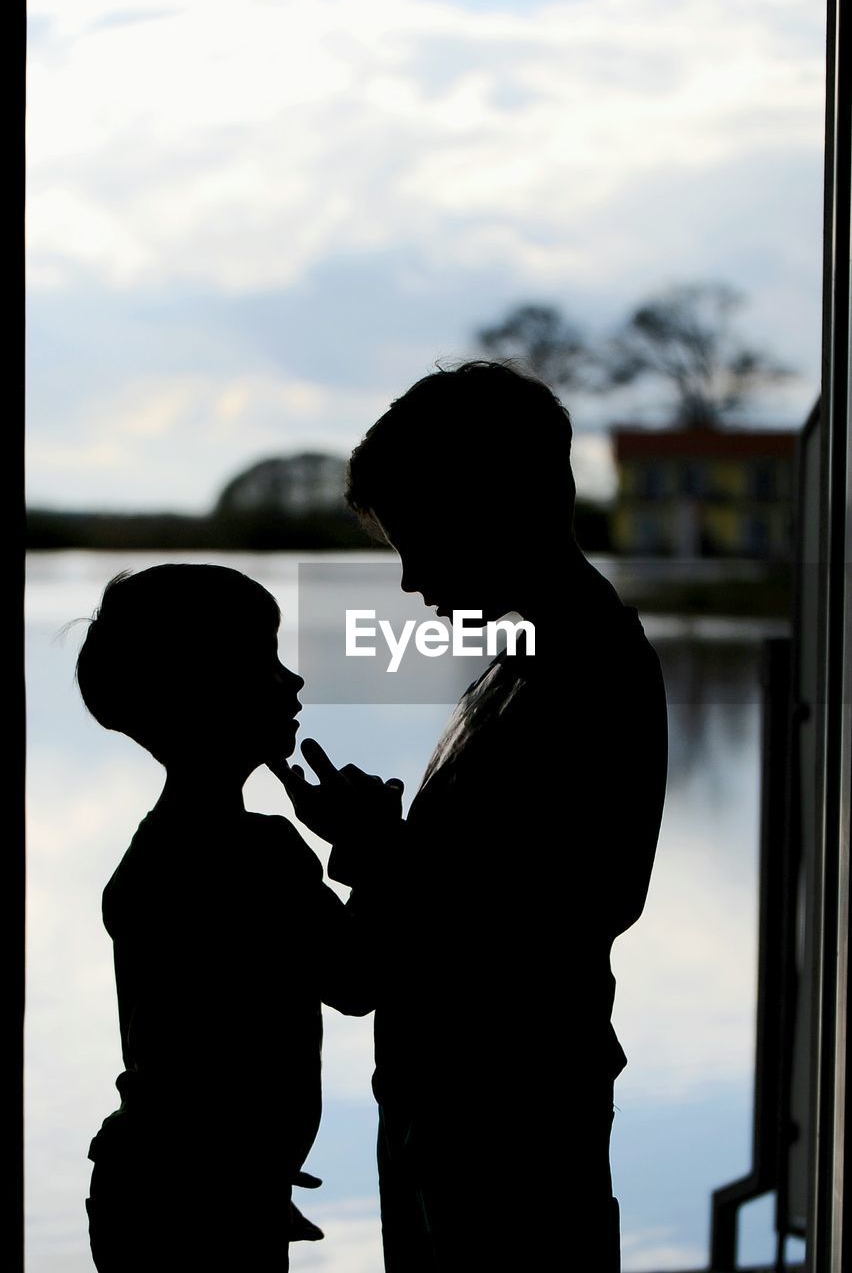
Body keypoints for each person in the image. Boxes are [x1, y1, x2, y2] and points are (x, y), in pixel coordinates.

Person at [276, 361, 669, 1270]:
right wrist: (376, 845)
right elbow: (491, 880)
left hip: (509, 1120)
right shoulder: (524, 666)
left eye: (415, 537)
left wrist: (378, 854)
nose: (410, 581)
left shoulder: (585, 674)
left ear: (495, 504)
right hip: (458, 1108)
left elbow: (577, 904)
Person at [75, 563, 378, 1272]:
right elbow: (360, 980)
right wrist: (366, 847)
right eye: (266, 663)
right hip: (209, 1203)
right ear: (206, 693)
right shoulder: (260, 857)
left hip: (149, 1181)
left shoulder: (153, 854)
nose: (293, 683)